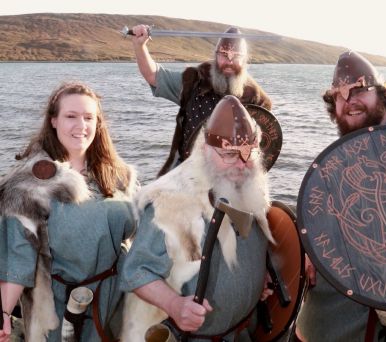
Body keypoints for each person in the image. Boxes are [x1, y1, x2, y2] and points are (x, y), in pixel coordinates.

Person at [295, 51, 386, 342]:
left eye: (359, 89)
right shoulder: (347, 148)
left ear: (383, 94)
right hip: (331, 310)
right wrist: (306, 242)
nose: (349, 101)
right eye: (339, 94)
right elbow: (321, 208)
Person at [120, 95, 274, 341]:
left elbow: (249, 239)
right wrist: (174, 304)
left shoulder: (252, 185)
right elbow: (136, 270)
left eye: (248, 153)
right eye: (229, 154)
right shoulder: (170, 200)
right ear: (205, 150)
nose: (241, 165)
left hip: (244, 333)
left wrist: (256, 272)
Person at [0, 82, 137, 342]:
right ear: (53, 120)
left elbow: (134, 238)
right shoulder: (29, 185)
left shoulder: (118, 175)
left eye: (89, 117)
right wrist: (5, 312)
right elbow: (16, 256)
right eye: (71, 116)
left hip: (113, 301)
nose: (81, 126)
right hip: (56, 307)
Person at [130, 24, 272, 176]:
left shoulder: (256, 100)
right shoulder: (193, 83)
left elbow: (261, 152)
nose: (229, 61)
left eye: (236, 56)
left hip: (233, 176)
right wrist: (140, 46)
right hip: (188, 174)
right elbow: (154, 75)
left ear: (244, 60)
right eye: (224, 55)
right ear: (216, 55)